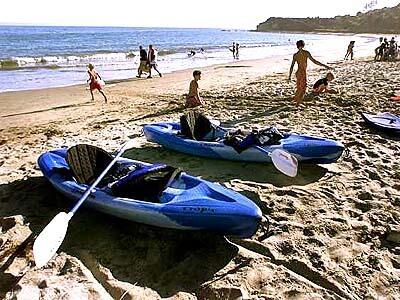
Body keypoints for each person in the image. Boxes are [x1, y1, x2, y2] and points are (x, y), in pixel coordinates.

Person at [288, 40, 333, 106]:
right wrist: (325, 66)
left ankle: (296, 100)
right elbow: (314, 61)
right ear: (303, 45)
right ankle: (298, 103)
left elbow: (292, 66)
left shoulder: (295, 55)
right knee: (303, 88)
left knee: (299, 88)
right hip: (302, 72)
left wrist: (289, 76)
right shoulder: (306, 53)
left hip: (298, 72)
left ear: (297, 46)